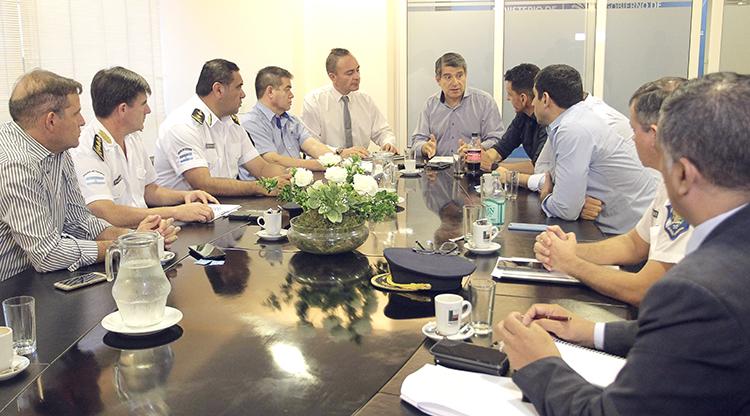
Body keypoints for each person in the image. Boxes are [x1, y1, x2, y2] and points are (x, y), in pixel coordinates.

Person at [497, 72, 750, 415]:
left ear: (682, 174)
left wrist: (538, 364)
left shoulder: (696, 292)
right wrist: (591, 332)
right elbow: (684, 334)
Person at [0, 69, 177, 280]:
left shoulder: (57, 147)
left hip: (38, 276)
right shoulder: (16, 165)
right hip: (12, 285)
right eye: (76, 114)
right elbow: (47, 255)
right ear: (51, 121)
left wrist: (136, 238)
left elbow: (79, 220)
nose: (83, 121)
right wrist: (125, 246)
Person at [533, 77, 690, 306]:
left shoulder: (692, 193)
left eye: (634, 130)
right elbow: (633, 244)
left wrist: (571, 263)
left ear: (655, 135)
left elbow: (644, 290)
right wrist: (567, 251)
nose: (632, 139)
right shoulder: (669, 182)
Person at [70, 67, 218, 228]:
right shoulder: (87, 149)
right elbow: (105, 212)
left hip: (147, 231)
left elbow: (149, 190)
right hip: (119, 237)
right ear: (123, 109)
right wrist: (175, 212)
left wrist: (185, 196)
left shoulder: (132, 137)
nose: (148, 110)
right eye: (143, 104)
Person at [531, 64, 655, 234]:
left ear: (545, 99)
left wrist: (546, 198)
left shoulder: (572, 128)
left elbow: (565, 208)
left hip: (632, 234)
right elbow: (560, 186)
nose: (532, 103)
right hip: (628, 226)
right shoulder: (576, 119)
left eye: (534, 96)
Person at [153, 59, 288, 196]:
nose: (243, 94)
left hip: (224, 204)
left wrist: (291, 177)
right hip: (186, 207)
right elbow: (203, 183)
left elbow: (262, 168)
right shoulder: (183, 124)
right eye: (238, 87)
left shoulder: (231, 124)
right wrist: (259, 186)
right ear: (218, 90)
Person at [301, 48, 397, 157]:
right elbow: (310, 144)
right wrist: (340, 152)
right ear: (333, 77)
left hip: (362, 163)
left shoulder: (365, 100)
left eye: (357, 70)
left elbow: (382, 131)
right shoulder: (314, 101)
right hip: (327, 164)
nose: (357, 77)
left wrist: (387, 143)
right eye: (350, 73)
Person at [411, 52, 504, 158]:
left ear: (466, 75)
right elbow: (417, 141)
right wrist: (424, 147)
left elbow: (497, 139)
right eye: (448, 77)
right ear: (438, 80)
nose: (455, 82)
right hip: (437, 166)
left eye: (459, 76)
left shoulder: (485, 102)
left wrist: (475, 148)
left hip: (473, 165)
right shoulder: (430, 105)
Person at [240, 66, 329, 176]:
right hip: (267, 185)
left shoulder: (292, 120)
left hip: (296, 182)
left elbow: (312, 146)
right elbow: (272, 160)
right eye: (287, 89)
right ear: (270, 91)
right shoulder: (251, 123)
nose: (291, 95)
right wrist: (317, 164)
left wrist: (335, 160)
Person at [478, 63, 546, 174]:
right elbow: (502, 147)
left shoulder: (547, 121)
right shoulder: (522, 116)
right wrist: (481, 157)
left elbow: (540, 166)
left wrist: (494, 167)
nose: (507, 98)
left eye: (510, 94)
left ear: (523, 98)